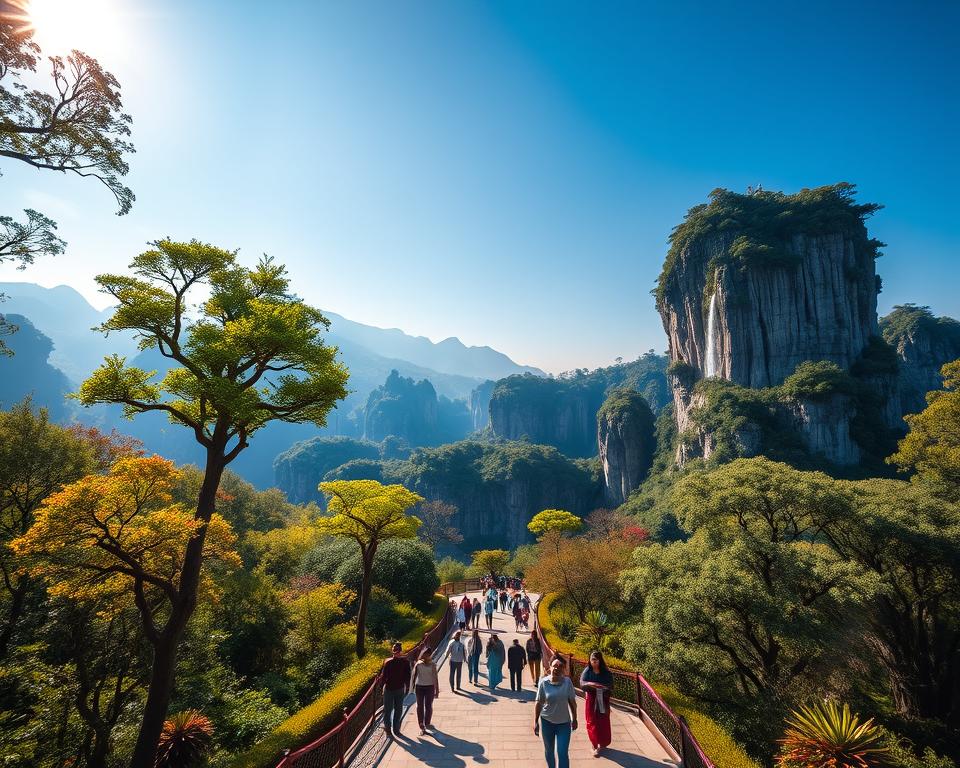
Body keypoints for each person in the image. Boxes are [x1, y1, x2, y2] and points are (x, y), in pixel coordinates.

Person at [534, 656, 578, 768]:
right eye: (554, 666)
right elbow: (539, 702)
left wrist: (575, 718)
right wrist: (535, 722)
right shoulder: (543, 683)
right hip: (546, 722)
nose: (557, 668)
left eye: (560, 666)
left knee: (562, 752)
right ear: (550, 667)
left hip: (564, 723)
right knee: (549, 751)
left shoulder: (567, 683)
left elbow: (572, 702)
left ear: (563, 669)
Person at [579, 650, 614, 756]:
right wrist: (592, 685)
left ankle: (601, 742)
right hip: (591, 700)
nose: (593, 661)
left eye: (596, 659)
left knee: (602, 721)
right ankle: (594, 744)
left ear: (600, 660)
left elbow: (610, 686)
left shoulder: (606, 672)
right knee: (591, 721)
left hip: (602, 700)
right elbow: (582, 684)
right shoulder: (587, 671)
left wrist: (601, 688)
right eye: (592, 659)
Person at [380, 641, 409, 738]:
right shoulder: (388, 662)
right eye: (394, 649)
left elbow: (407, 676)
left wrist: (408, 686)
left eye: (396, 650)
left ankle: (396, 729)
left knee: (398, 710)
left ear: (400, 651)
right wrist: (382, 687)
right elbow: (383, 677)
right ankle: (388, 729)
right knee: (388, 710)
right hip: (389, 689)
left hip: (399, 689)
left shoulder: (405, 662)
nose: (395, 651)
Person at [410, 647, 440, 736]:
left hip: (428, 687)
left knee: (427, 706)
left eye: (427, 654)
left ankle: (426, 722)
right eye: (425, 654)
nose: (426, 655)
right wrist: (411, 688)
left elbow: (435, 678)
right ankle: (422, 724)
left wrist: (437, 690)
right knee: (421, 706)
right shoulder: (419, 664)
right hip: (421, 687)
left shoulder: (431, 664)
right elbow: (413, 676)